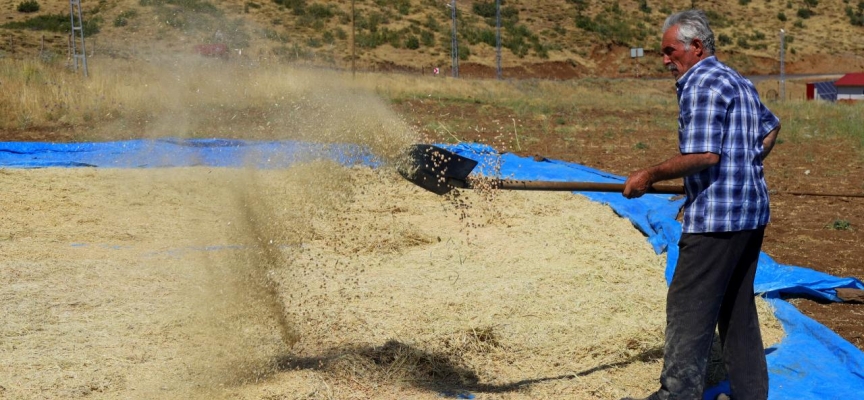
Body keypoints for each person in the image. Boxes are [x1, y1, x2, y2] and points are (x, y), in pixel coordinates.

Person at [620, 9, 781, 400]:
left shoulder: (701, 83)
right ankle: (751, 393)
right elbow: (771, 126)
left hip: (716, 219)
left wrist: (649, 175)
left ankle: (677, 394)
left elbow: (706, 155)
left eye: (669, 50)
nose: (664, 60)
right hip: (751, 213)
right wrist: (747, 162)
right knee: (737, 307)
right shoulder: (736, 79)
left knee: (688, 304)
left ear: (695, 46)